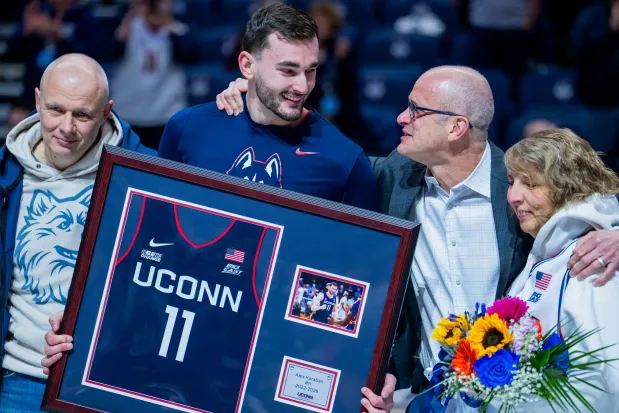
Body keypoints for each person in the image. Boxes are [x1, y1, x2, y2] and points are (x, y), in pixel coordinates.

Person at [214, 64, 619, 412]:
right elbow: (324, 157)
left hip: (515, 400)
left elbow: (587, 198)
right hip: (429, 394)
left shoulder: (519, 192)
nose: (400, 118)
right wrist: (257, 101)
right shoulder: (393, 178)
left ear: (457, 127)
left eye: (416, 110)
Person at [0, 53, 154, 412]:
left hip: (99, 384)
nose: (66, 128)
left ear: (106, 112)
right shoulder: (5, 174)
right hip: (15, 382)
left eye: (82, 115)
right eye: (55, 110)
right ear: (37, 101)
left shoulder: (145, 177)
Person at [157, 2, 378, 211]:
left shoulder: (346, 160)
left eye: (310, 70)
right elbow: (156, 222)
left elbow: (362, 249)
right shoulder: (187, 128)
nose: (302, 86)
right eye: (288, 71)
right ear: (247, 66)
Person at [500, 129, 619, 411]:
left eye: (530, 183)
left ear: (566, 185)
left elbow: (607, 384)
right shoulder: (548, 253)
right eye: (511, 182)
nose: (513, 196)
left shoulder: (593, 260)